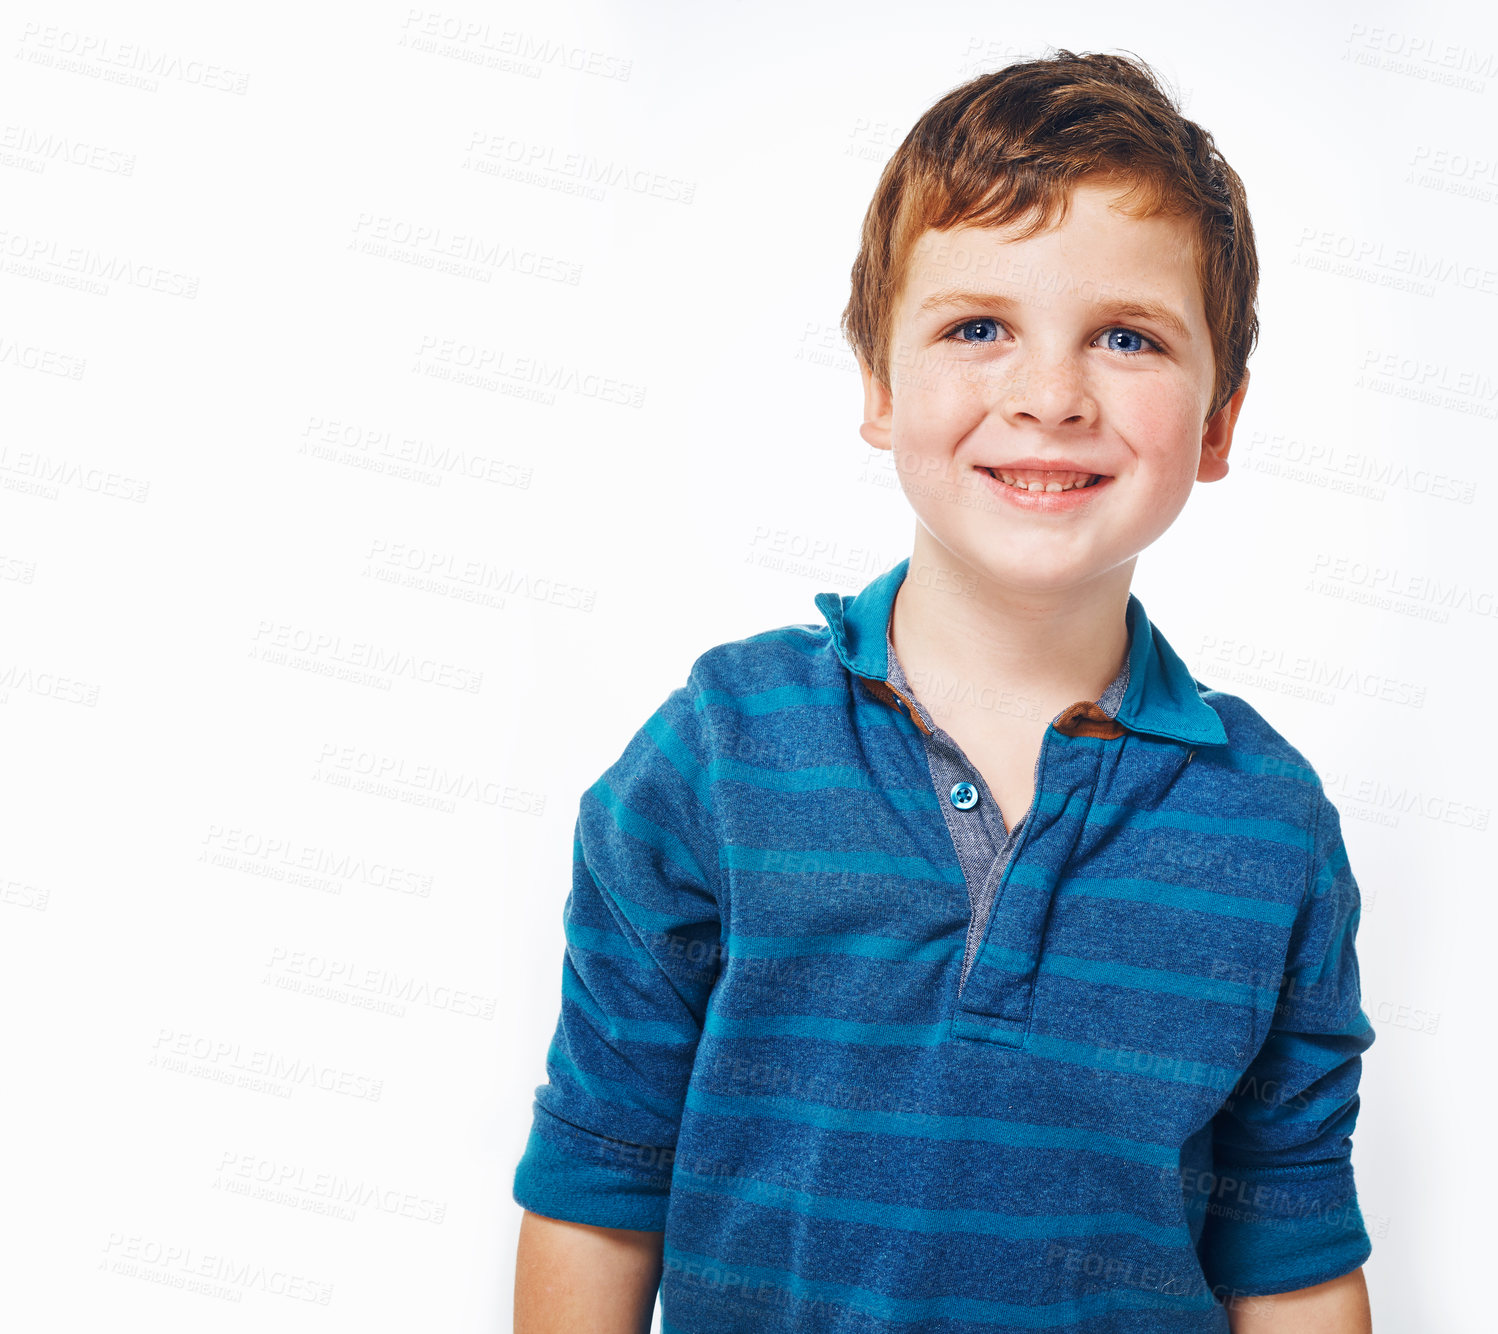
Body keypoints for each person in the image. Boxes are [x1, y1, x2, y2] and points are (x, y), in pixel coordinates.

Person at [512, 48, 1375, 1334]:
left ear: (1217, 423)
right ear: (877, 381)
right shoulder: (716, 752)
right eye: (978, 327)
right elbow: (598, 1185)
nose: (1048, 396)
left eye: (1126, 337)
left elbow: (1290, 1251)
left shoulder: (1272, 825)